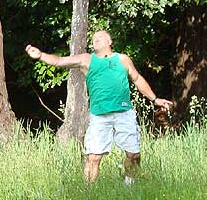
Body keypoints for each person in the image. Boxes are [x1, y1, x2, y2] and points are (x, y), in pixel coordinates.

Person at [25, 30, 173, 184]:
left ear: (110, 42)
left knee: (133, 155)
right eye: (93, 38)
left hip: (124, 113)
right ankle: (88, 191)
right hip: (99, 116)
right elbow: (60, 61)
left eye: (100, 37)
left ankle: (130, 187)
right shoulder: (86, 59)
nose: (96, 39)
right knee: (93, 157)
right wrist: (41, 55)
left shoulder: (122, 59)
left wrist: (155, 99)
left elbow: (137, 79)